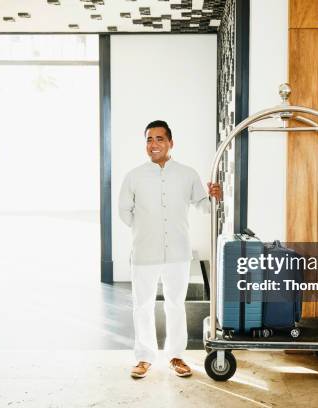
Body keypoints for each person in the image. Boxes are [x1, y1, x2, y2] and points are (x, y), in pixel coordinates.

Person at [119, 120, 222, 379]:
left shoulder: (187, 174)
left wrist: (214, 196)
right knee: (142, 305)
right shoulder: (134, 176)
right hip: (144, 252)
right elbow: (124, 211)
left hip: (177, 252)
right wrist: (144, 229)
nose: (153, 144)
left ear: (170, 143)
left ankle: (176, 356)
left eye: (159, 139)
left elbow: (204, 205)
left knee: (175, 304)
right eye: (149, 139)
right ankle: (144, 358)